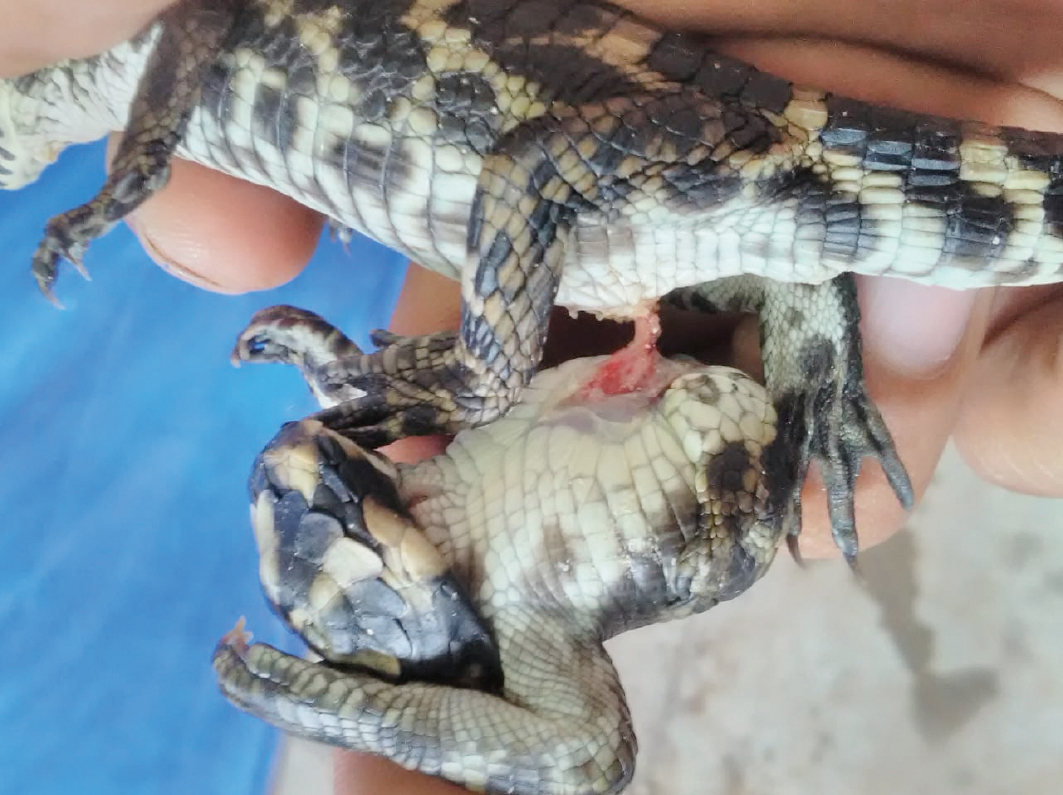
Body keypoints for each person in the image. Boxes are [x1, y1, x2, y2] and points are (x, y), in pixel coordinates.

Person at [4, 1, 1062, 792]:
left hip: (596, 181)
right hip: (638, 236)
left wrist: (137, 168)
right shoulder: (525, 621)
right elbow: (584, 756)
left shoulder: (124, 51)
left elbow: (186, 21)